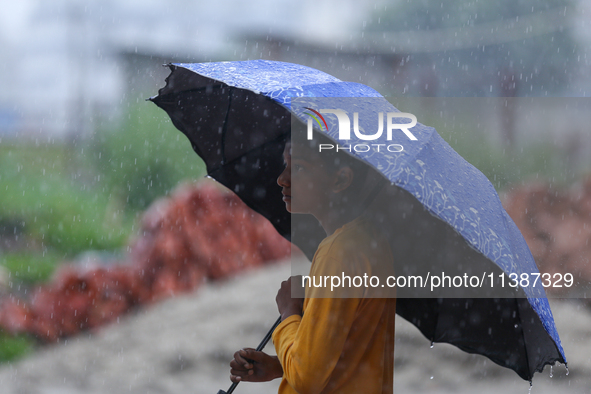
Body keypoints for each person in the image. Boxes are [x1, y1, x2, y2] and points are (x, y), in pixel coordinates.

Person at [229, 131, 396, 393]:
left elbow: (307, 379)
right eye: (286, 166)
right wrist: (280, 366)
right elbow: (344, 355)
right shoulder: (368, 241)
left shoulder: (337, 254)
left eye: (300, 168)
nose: (282, 179)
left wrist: (289, 313)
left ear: (340, 179)